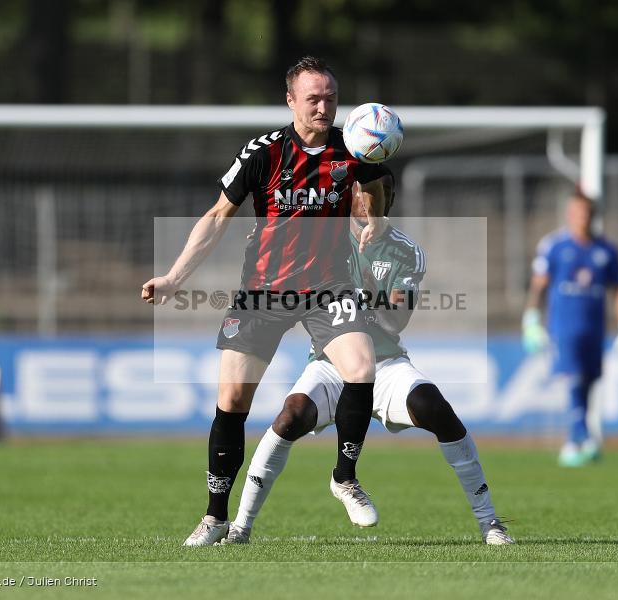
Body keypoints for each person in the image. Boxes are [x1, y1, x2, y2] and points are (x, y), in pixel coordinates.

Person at [142, 56, 389, 546]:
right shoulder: (264, 152)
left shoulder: (355, 146)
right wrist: (173, 278)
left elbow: (376, 187)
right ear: (290, 100)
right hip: (263, 290)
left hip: (329, 287)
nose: (324, 107)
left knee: (361, 369)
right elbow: (218, 216)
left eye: (331, 98)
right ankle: (215, 516)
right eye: (313, 98)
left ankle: (344, 477)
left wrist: (375, 220)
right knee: (233, 400)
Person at [221, 170, 514, 545]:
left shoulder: (404, 251)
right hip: (330, 364)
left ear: (389, 197)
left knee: (436, 408)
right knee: (290, 416)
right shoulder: (322, 238)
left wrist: (369, 289)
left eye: (379, 191)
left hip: (385, 364)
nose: (368, 198)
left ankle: (490, 523)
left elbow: (396, 320)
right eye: (360, 190)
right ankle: (241, 527)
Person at [522, 191, 618, 467]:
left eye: (585, 212)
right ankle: (583, 436)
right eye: (576, 212)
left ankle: (574, 442)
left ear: (593, 215)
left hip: (594, 328)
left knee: (587, 381)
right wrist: (531, 318)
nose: (581, 217)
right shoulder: (554, 246)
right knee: (573, 377)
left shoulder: (607, 250)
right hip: (563, 327)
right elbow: (539, 284)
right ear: (568, 215)